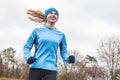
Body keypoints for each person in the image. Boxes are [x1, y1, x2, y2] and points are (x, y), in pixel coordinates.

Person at [23, 7, 75, 80]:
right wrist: (28, 57)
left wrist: (68, 59)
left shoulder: (61, 35)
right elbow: (27, 47)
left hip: (51, 69)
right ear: (46, 17)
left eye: (55, 14)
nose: (53, 15)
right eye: (51, 13)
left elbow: (63, 52)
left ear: (57, 18)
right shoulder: (37, 31)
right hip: (36, 66)